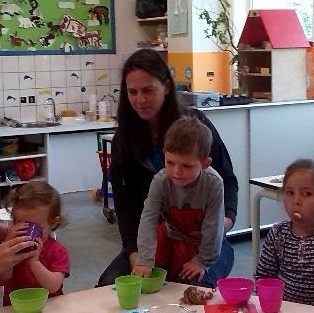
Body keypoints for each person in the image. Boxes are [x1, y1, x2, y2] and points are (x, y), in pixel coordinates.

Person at [98, 49, 238, 287]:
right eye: (132, 92)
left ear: (165, 86)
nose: (140, 100)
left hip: (205, 240)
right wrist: (134, 252)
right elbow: (125, 203)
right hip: (155, 237)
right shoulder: (125, 139)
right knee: (109, 284)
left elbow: (228, 180)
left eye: (148, 90)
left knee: (195, 289)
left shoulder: (196, 127)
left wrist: (221, 225)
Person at [133, 116, 225, 285]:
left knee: (192, 284)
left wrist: (202, 261)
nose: (176, 172)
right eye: (170, 162)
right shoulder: (160, 180)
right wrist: (144, 259)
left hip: (203, 243)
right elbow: (148, 219)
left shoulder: (214, 183)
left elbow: (214, 227)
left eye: (186, 166)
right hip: (170, 236)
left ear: (205, 163)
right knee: (148, 277)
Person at [254, 158, 314, 311]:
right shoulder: (278, 233)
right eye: (290, 193)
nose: (296, 201)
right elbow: (263, 277)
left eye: (306, 194)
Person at [2, 181, 70, 305]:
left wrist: (34, 263)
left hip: (49, 309)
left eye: (36, 228)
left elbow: (54, 286)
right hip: (16, 308)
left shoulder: (57, 251)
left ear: (53, 223)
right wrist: (6, 249)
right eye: (22, 226)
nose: (28, 235)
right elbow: (4, 276)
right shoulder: (12, 247)